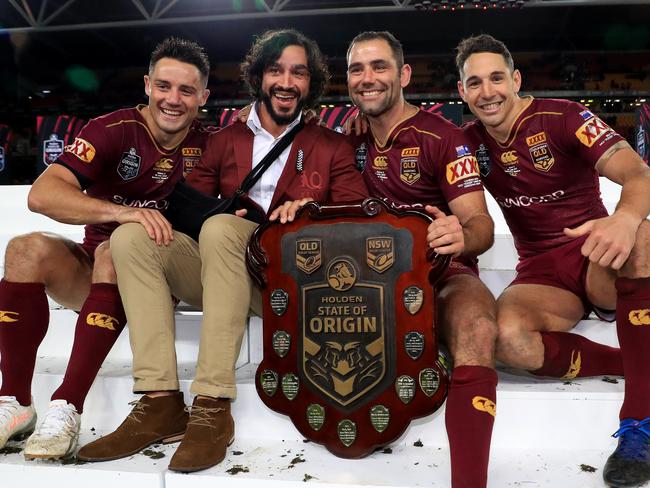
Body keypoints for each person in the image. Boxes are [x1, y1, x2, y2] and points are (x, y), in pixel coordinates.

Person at [76, 29, 369, 473]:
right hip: (224, 272)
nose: (286, 82)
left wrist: (313, 212)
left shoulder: (333, 145)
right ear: (258, 77)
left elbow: (359, 225)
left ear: (312, 83)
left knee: (221, 227)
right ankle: (160, 401)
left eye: (298, 72)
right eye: (275, 70)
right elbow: (187, 217)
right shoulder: (224, 139)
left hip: (295, 286)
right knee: (132, 237)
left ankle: (212, 403)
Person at [0, 37, 212, 460]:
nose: (174, 99)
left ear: (203, 97)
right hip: (99, 279)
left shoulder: (215, 140)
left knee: (117, 250)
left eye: (187, 90)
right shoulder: (111, 130)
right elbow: (41, 196)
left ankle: (68, 405)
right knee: (24, 249)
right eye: (165, 86)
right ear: (148, 85)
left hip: (163, 277)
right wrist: (122, 213)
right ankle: (14, 404)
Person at [456, 34, 650, 488]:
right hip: (541, 270)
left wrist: (622, 218)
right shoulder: (466, 141)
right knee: (504, 340)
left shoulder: (563, 115)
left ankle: (640, 424)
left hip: (593, 252)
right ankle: (628, 362)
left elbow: (638, 173)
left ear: (516, 79)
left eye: (497, 78)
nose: (488, 92)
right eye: (475, 82)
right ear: (461, 93)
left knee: (642, 234)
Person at [346, 31, 498, 488]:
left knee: (478, 326)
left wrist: (459, 233)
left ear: (404, 74)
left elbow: (482, 227)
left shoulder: (445, 137)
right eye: (357, 69)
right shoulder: (344, 140)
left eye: (379, 67)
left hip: (440, 272)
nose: (368, 78)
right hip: (367, 282)